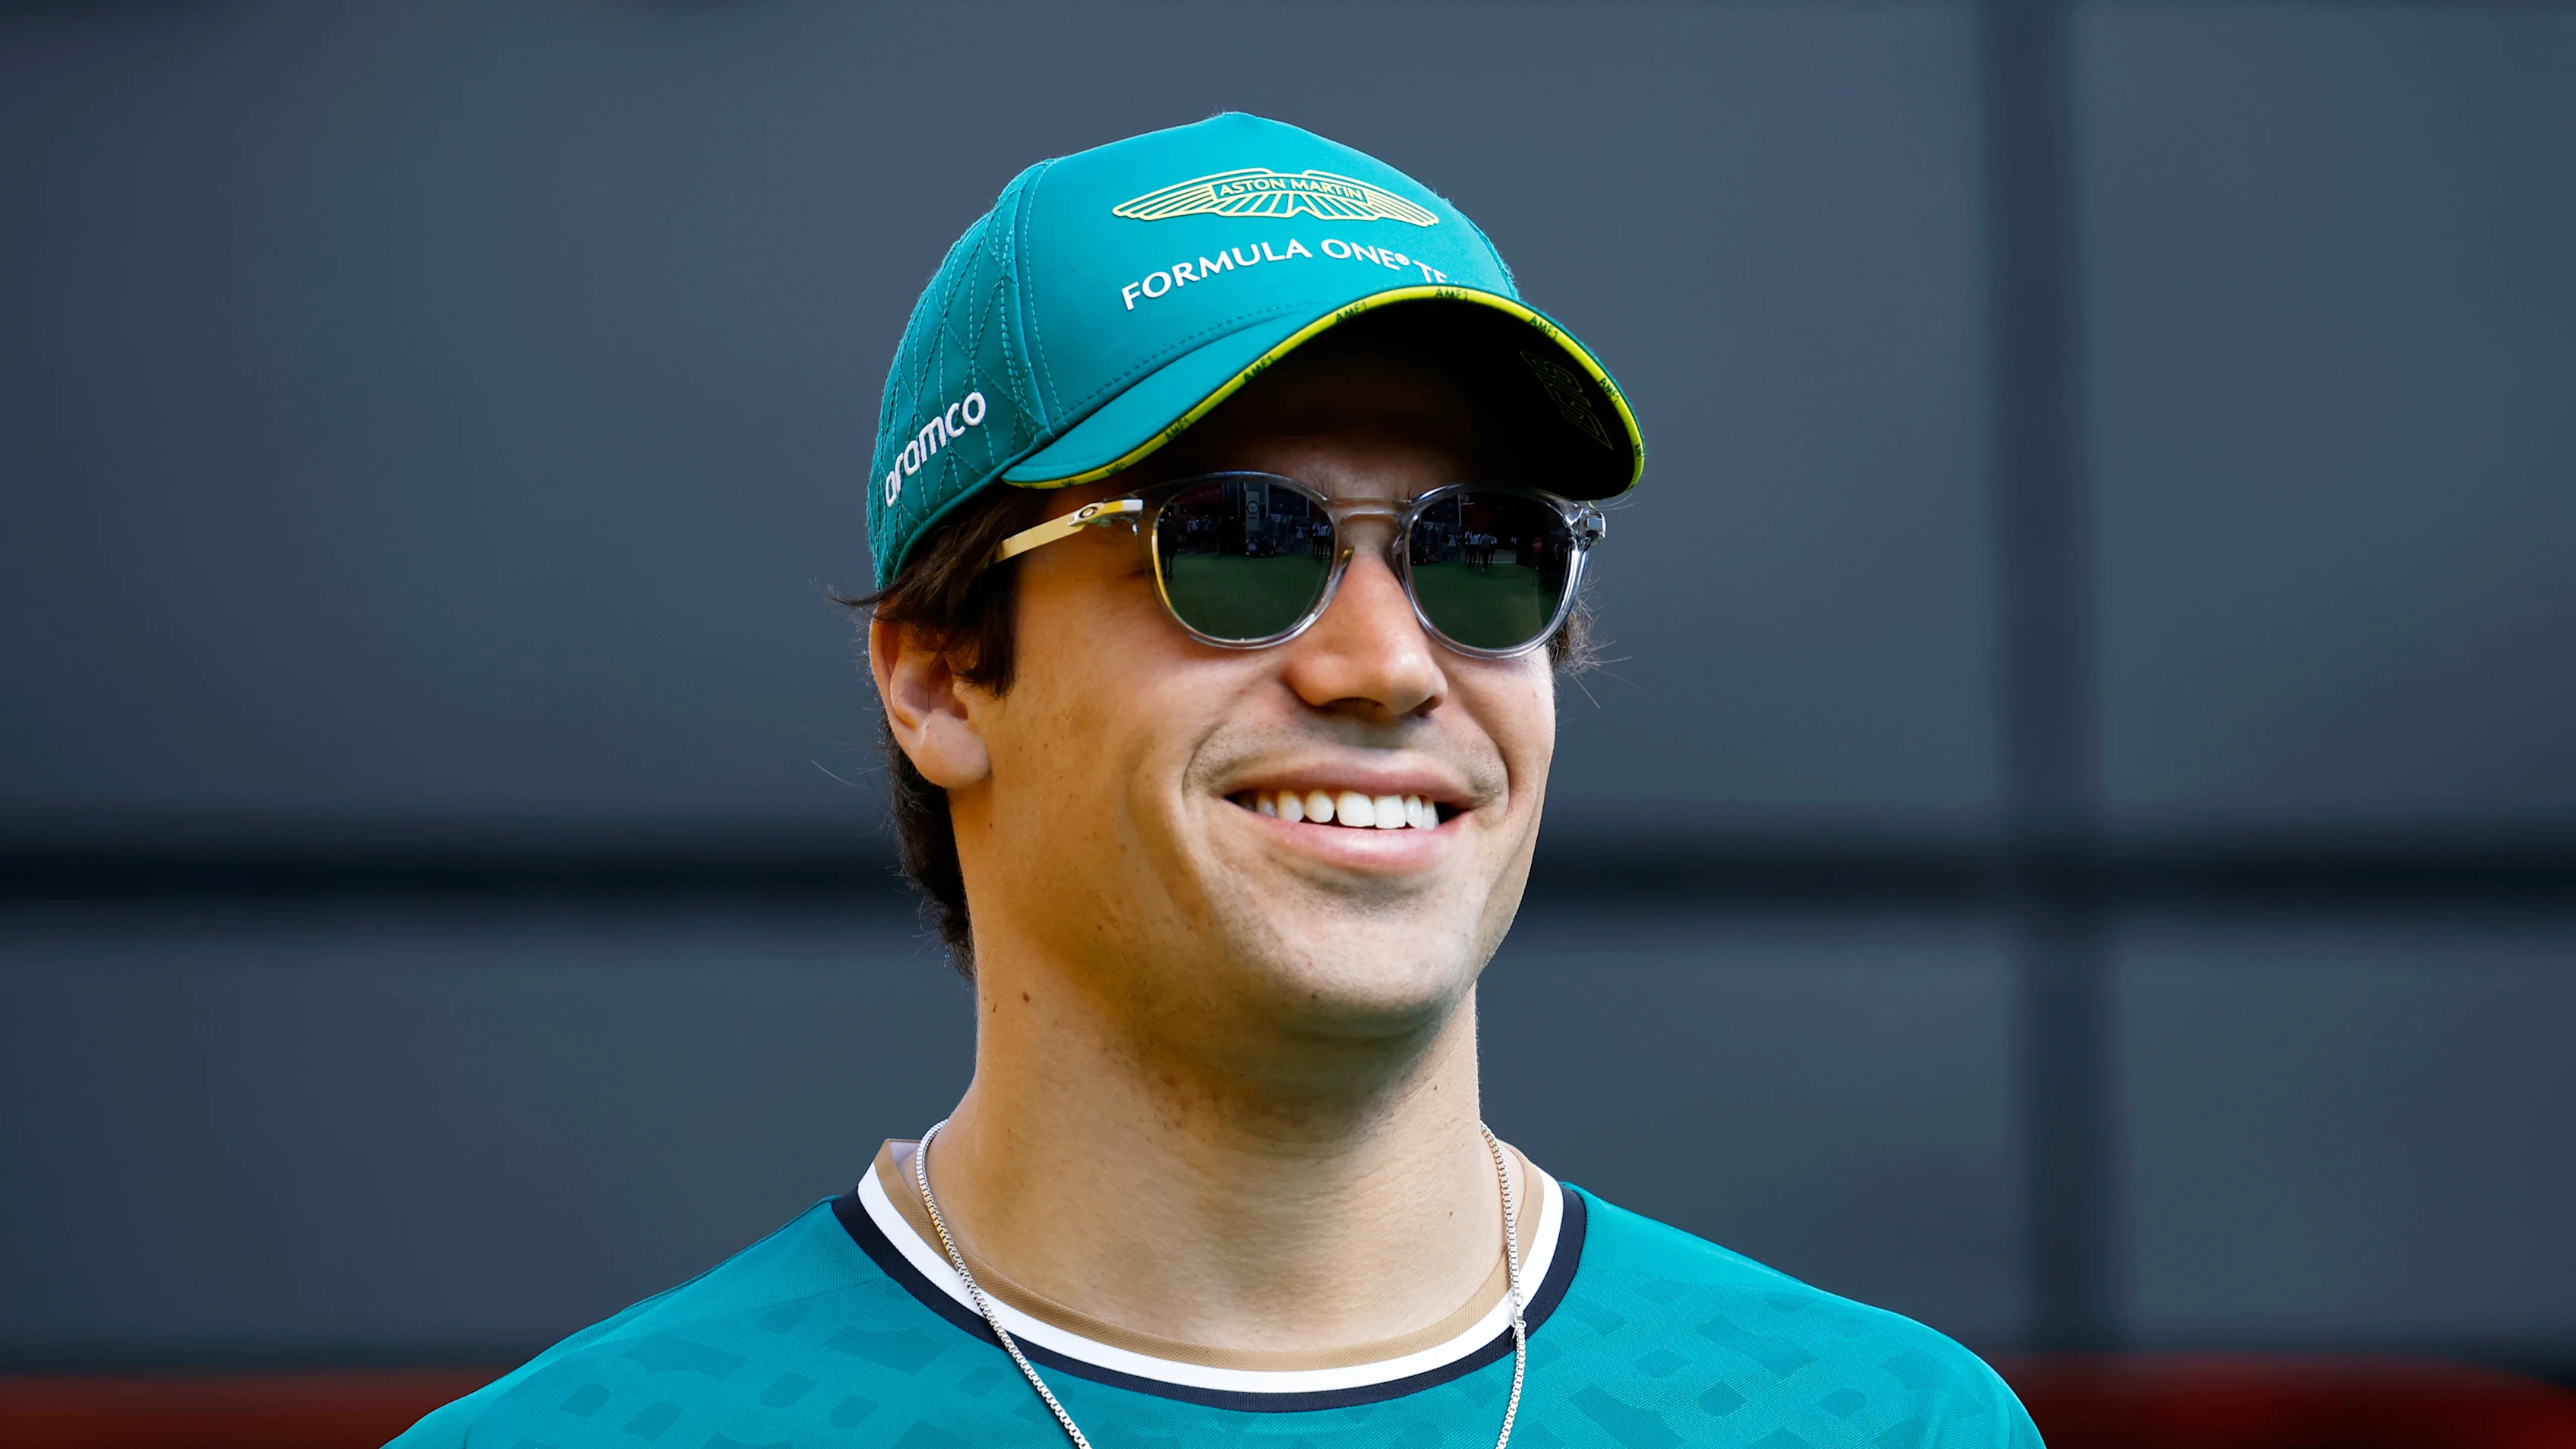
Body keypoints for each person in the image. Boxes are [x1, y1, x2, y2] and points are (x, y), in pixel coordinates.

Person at [393, 112, 2041, 1449]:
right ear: (940, 671)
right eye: (1238, 541)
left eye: (1484, 551)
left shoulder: (1883, 1427)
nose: (1388, 664)